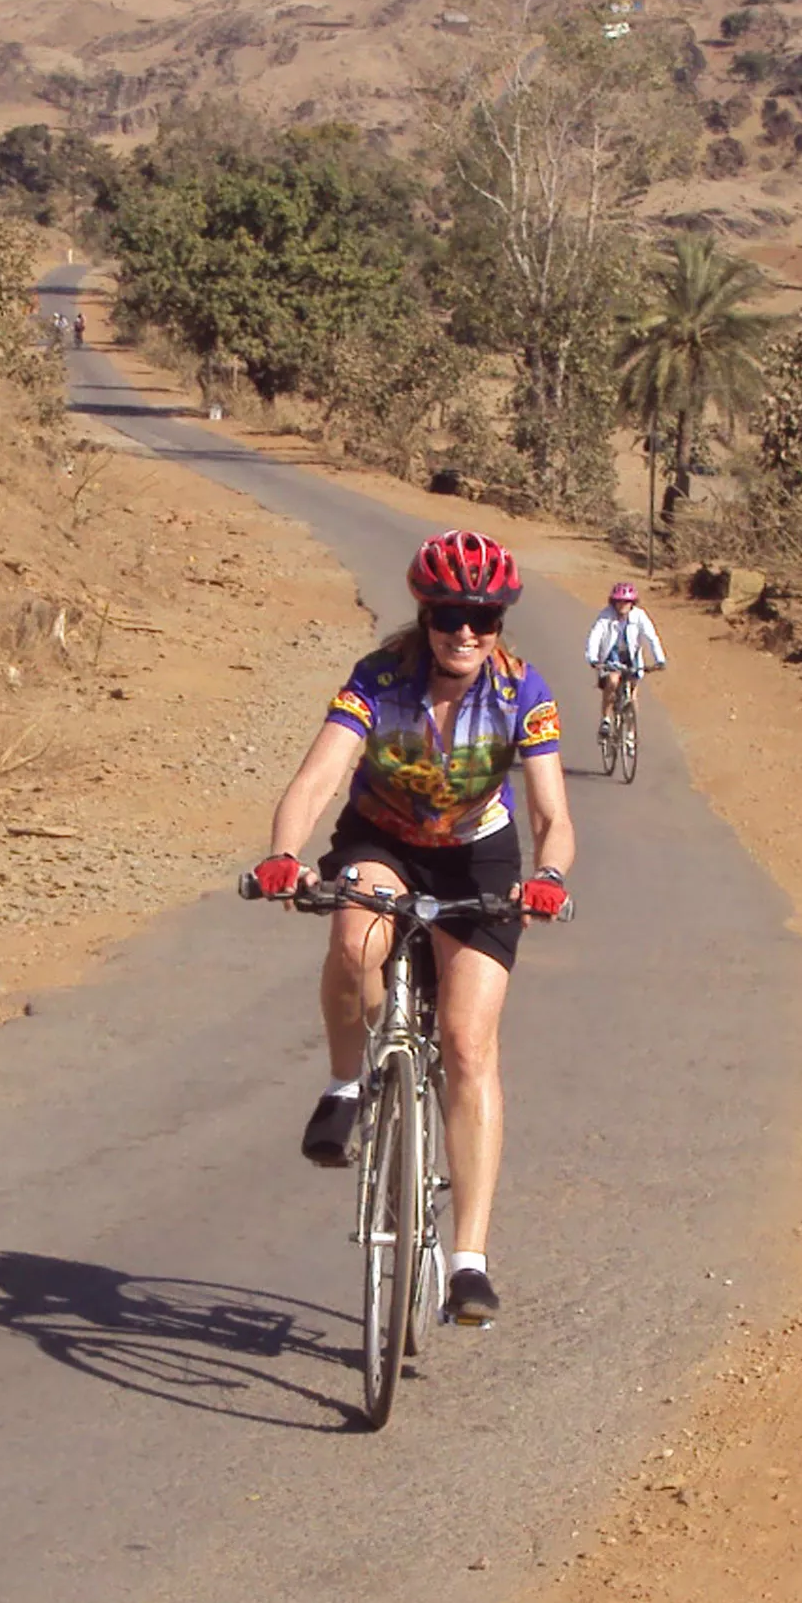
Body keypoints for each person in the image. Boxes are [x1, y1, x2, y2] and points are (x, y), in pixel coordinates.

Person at [249, 529, 575, 1325]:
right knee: (355, 929)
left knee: (468, 1044)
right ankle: (346, 1083)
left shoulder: (522, 693)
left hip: (478, 859)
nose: (465, 631)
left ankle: (468, 1260)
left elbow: (550, 815)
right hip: (383, 838)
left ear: (501, 621)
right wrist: (284, 856)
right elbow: (318, 778)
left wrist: (549, 879)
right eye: (449, 614)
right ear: (424, 614)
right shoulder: (381, 681)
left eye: (484, 616)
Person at [586, 581, 666, 737]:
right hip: (612, 656)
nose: (622, 605)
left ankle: (630, 732)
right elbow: (595, 636)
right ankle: (606, 719)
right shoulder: (606, 616)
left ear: (632, 603)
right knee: (613, 681)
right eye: (619, 601)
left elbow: (651, 637)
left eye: (626, 602)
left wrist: (659, 659)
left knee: (633, 694)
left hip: (631, 657)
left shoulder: (639, 616)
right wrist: (593, 658)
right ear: (614, 602)